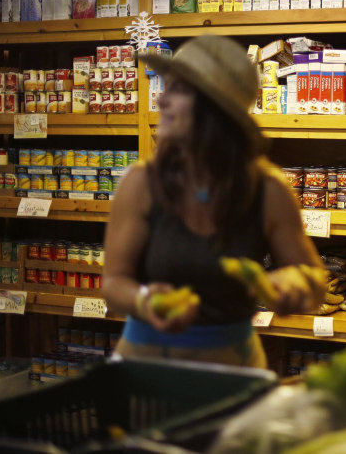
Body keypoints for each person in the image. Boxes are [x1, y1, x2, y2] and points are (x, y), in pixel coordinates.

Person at [103, 35, 327, 368]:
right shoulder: (141, 183)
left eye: (177, 90)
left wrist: (294, 284)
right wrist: (145, 299)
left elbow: (314, 281)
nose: (161, 100)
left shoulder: (267, 189)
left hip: (232, 369)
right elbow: (113, 283)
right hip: (146, 368)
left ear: (214, 109)